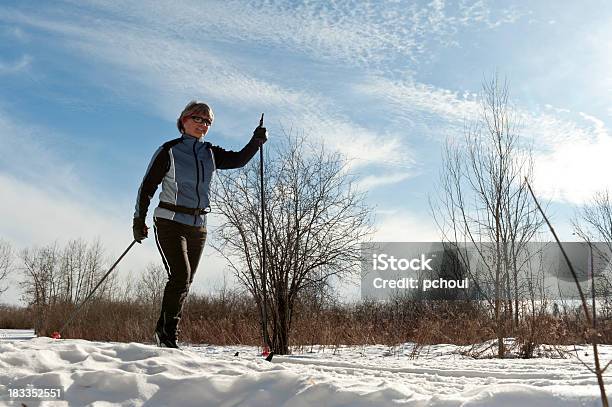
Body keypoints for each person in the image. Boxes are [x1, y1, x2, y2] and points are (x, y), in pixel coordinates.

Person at [133, 101, 267, 348]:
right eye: (198, 118)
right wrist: (138, 220)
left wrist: (255, 142)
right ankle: (168, 335)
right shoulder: (169, 150)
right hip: (169, 220)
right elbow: (147, 187)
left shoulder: (209, 153)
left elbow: (238, 160)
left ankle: (162, 330)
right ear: (184, 120)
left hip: (198, 225)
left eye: (207, 122)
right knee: (180, 276)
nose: (202, 124)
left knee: (186, 280)